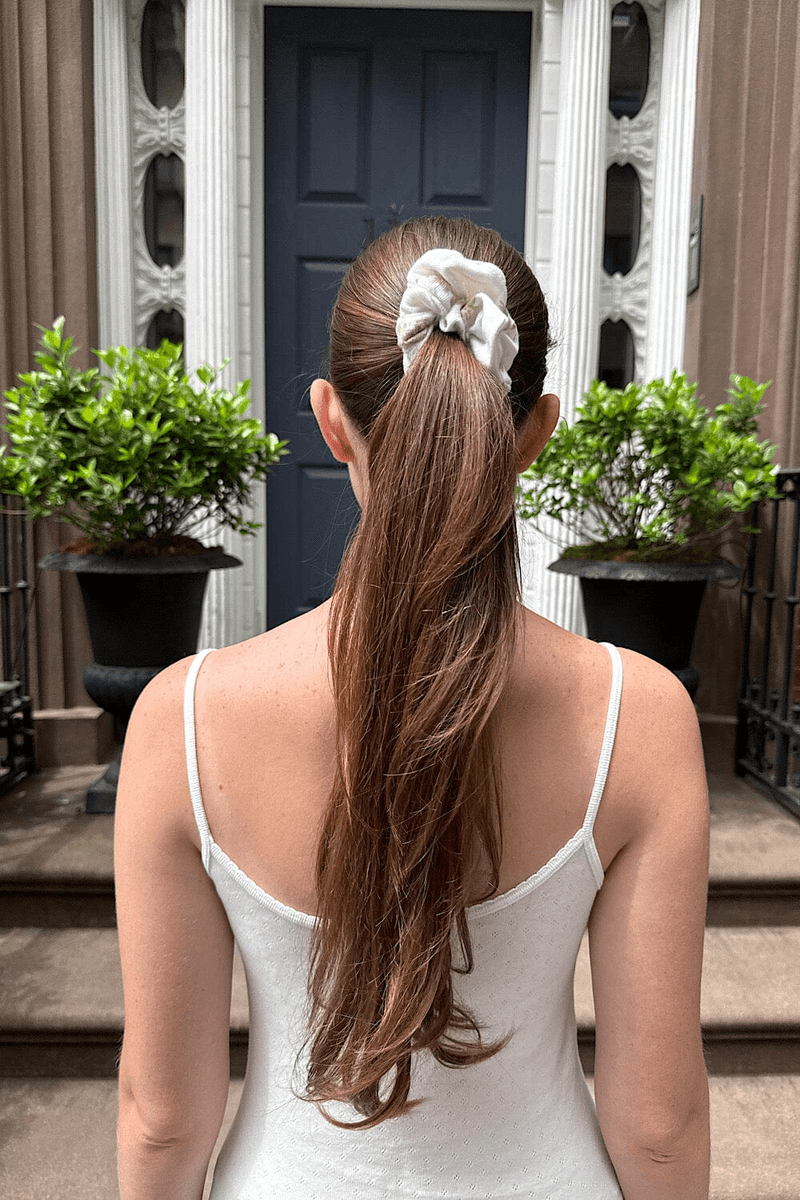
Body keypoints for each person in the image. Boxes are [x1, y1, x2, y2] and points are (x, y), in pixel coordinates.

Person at [115, 216, 710, 1199]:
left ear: (328, 419)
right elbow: (657, 1128)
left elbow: (160, 1119)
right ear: (536, 431)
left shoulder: (184, 723)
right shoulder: (633, 718)